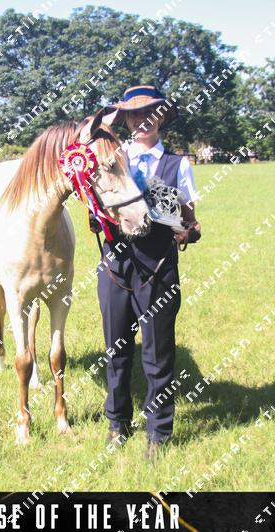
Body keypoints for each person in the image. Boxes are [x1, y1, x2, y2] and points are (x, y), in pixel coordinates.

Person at [94, 84, 201, 461]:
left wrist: (188, 231)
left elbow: (190, 220)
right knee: (116, 351)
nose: (141, 120)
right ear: (125, 120)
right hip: (115, 267)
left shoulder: (177, 165)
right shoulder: (111, 159)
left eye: (149, 113)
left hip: (157, 270)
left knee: (158, 355)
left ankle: (158, 431)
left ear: (161, 116)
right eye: (134, 114)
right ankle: (117, 422)